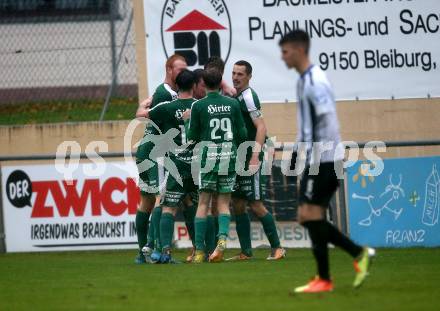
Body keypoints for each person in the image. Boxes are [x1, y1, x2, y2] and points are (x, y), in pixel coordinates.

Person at [279, 30, 375, 293]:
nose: (282, 57)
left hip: (325, 159)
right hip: (318, 159)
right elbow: (306, 128)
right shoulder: (303, 81)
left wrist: (310, 159)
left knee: (308, 215)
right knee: (309, 215)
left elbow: (326, 123)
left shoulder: (315, 82)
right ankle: (352, 258)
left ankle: (329, 275)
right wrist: (297, 155)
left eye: (285, 51)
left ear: (299, 50)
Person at [186, 68, 247, 263]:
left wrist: (188, 121)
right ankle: (221, 241)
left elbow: (192, 137)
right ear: (221, 82)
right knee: (223, 204)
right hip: (229, 157)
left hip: (208, 159)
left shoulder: (199, 106)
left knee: (203, 204)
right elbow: (243, 134)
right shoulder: (232, 104)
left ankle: (200, 252)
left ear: (203, 82)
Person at [226, 60, 285, 261]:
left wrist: (254, 156)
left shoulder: (249, 96)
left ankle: (277, 248)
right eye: (233, 73)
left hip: (251, 157)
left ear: (249, 77)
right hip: (239, 158)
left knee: (256, 204)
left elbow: (261, 127)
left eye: (240, 74)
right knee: (238, 203)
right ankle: (246, 251)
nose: (235, 77)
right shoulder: (235, 96)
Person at [137, 69, 198, 264]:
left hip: (173, 163)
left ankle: (161, 250)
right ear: (195, 86)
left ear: (177, 86)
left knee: (166, 206)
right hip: (195, 164)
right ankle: (199, 249)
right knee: (195, 205)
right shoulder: (199, 107)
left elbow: (141, 116)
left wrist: (143, 104)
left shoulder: (165, 107)